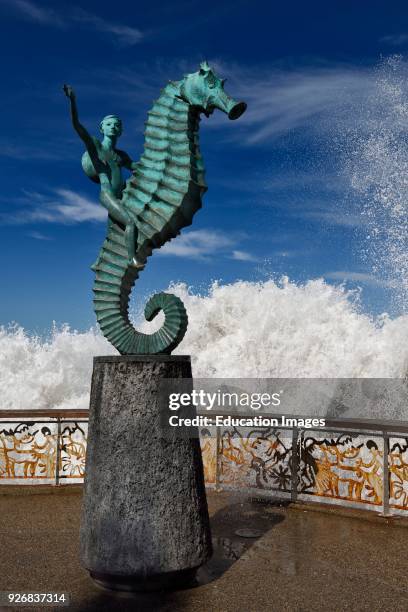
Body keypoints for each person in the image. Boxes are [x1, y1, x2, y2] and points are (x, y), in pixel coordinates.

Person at [63, 84, 143, 269]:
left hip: (123, 196)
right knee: (130, 222)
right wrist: (73, 101)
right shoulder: (97, 147)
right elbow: (78, 126)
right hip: (108, 195)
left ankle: (103, 263)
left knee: (113, 234)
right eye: (109, 124)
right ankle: (132, 259)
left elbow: (138, 168)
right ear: (101, 128)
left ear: (121, 131)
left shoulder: (122, 155)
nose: (113, 127)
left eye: (117, 125)